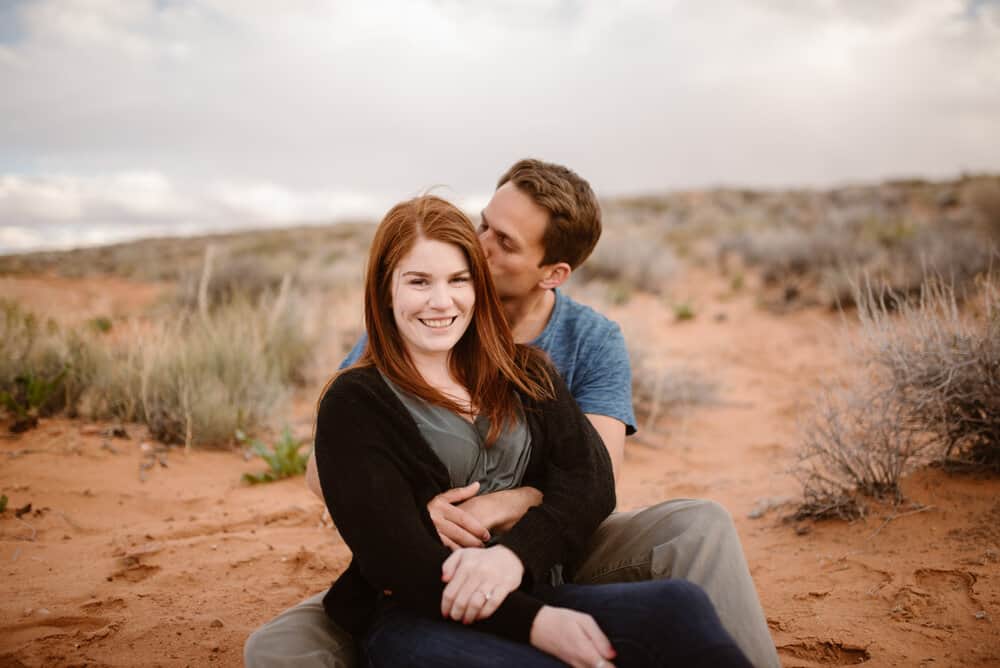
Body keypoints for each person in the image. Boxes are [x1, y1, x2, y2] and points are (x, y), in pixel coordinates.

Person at [245, 159, 780, 668]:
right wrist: (403, 510)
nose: (480, 250)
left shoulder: (544, 360)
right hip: (419, 590)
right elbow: (347, 487)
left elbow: (595, 479)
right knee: (283, 648)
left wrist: (512, 524)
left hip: (547, 555)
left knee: (682, 591)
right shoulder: (368, 378)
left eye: (497, 248)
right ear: (386, 291)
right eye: (483, 226)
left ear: (553, 272)